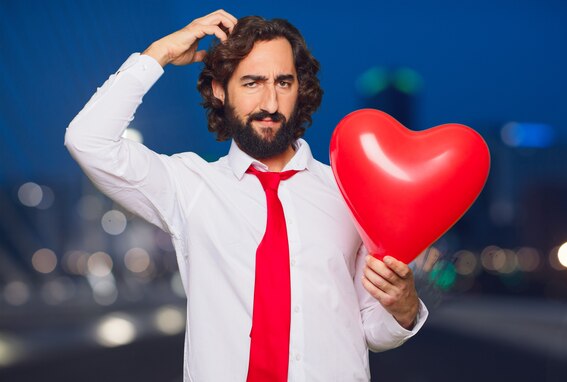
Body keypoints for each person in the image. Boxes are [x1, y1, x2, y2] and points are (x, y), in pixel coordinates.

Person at [65, 9, 428, 381]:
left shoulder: (349, 192)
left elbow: (371, 330)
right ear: (221, 90)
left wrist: (404, 308)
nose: (270, 103)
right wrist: (159, 53)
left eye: (283, 83)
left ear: (299, 89)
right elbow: (87, 140)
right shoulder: (189, 185)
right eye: (252, 83)